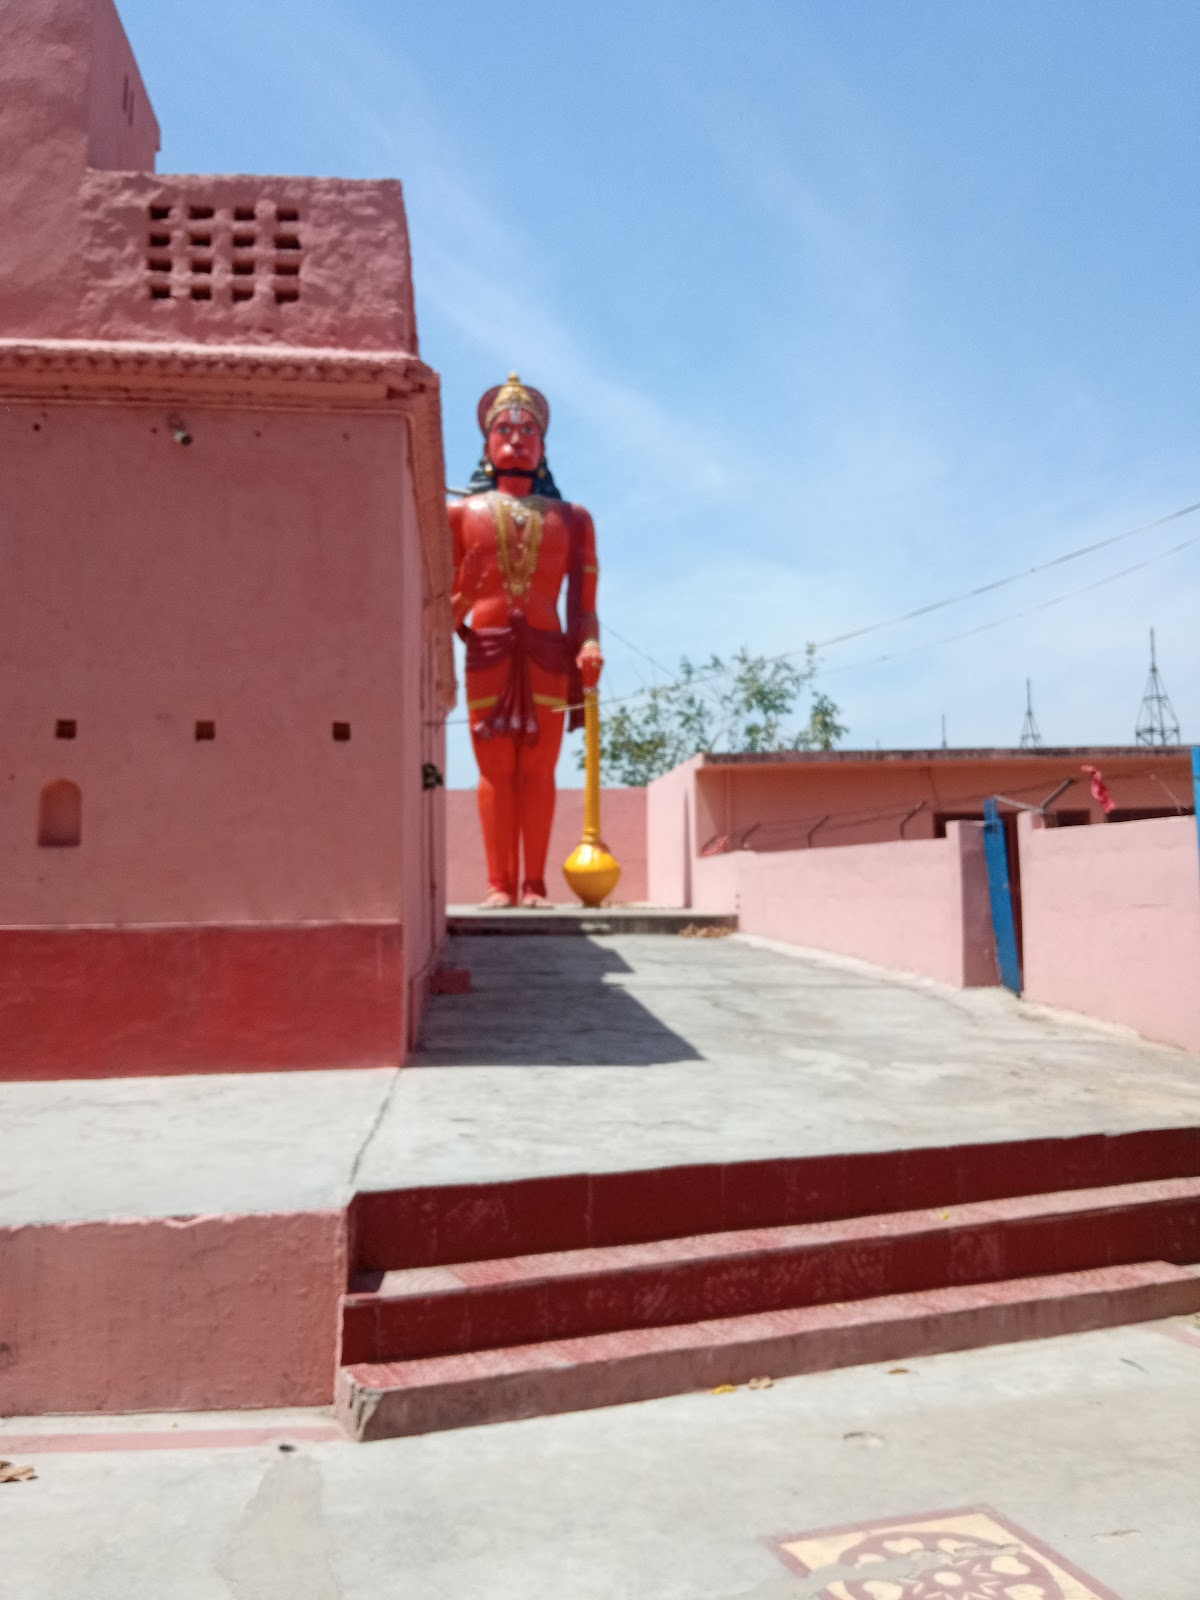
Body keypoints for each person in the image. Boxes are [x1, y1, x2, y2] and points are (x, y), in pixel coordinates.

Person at [449, 374, 602, 907]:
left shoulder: (573, 520)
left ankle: (534, 884)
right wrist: (464, 598)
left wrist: (588, 645)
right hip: (487, 650)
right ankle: (499, 884)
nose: (516, 440)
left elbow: (584, 608)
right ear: (486, 444)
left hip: (548, 653)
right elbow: (438, 616)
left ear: (543, 446)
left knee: (539, 770)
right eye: (504, 430)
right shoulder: (458, 516)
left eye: (529, 431)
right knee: (495, 771)